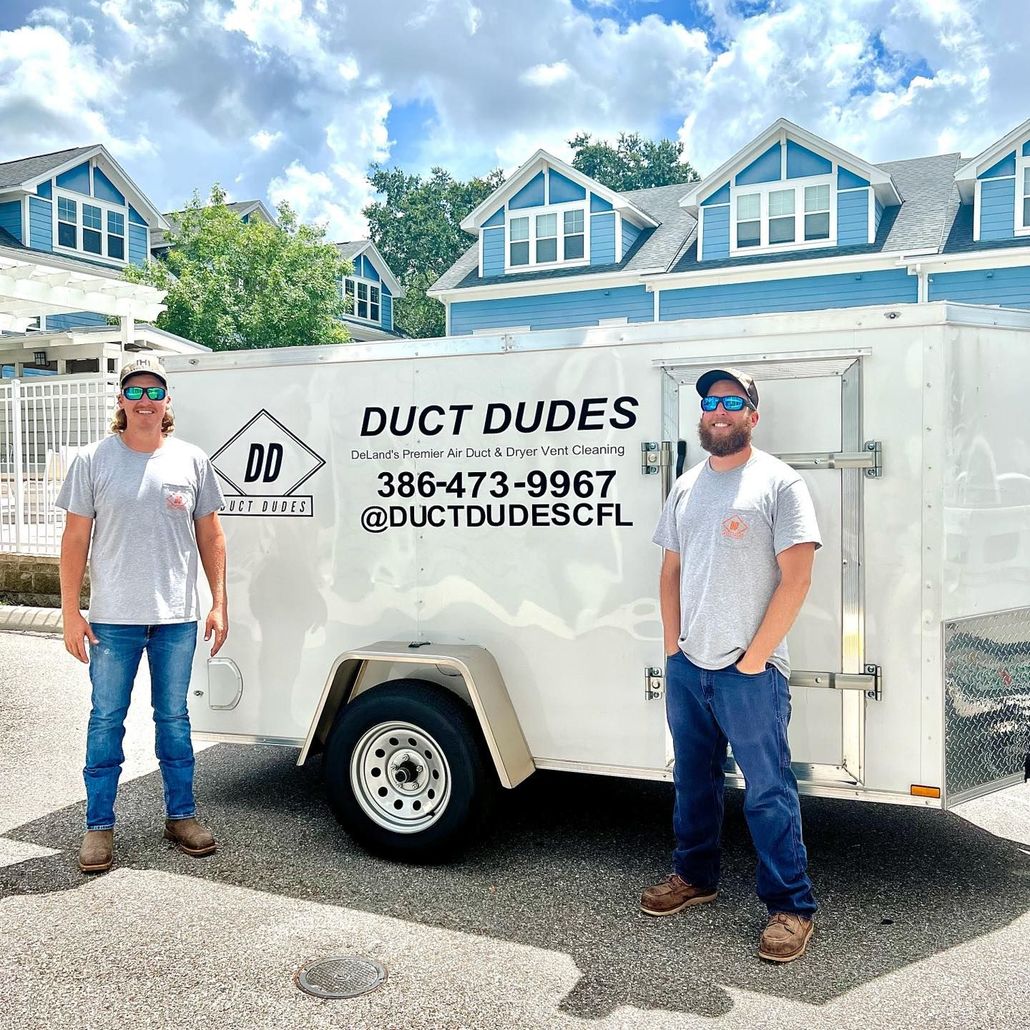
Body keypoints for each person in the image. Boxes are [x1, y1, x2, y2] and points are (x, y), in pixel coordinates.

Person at [642, 367, 821, 964]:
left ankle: (791, 907)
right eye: (709, 402)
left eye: (731, 401)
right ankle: (695, 877)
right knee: (693, 779)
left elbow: (797, 579)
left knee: (768, 791)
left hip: (750, 674)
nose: (718, 410)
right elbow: (670, 572)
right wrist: (673, 650)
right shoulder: (687, 486)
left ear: (752, 413)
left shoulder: (779, 483)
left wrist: (755, 659)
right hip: (690, 665)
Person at [57, 355, 228, 874]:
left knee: (174, 719)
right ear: (121, 401)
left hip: (176, 618)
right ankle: (98, 827)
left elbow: (212, 535)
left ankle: (181, 816)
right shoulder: (92, 461)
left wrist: (220, 601)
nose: (146, 401)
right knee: (106, 720)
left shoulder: (192, 461)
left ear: (168, 401)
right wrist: (69, 611)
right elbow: (75, 539)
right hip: (113, 620)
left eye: (155, 392)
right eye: (136, 391)